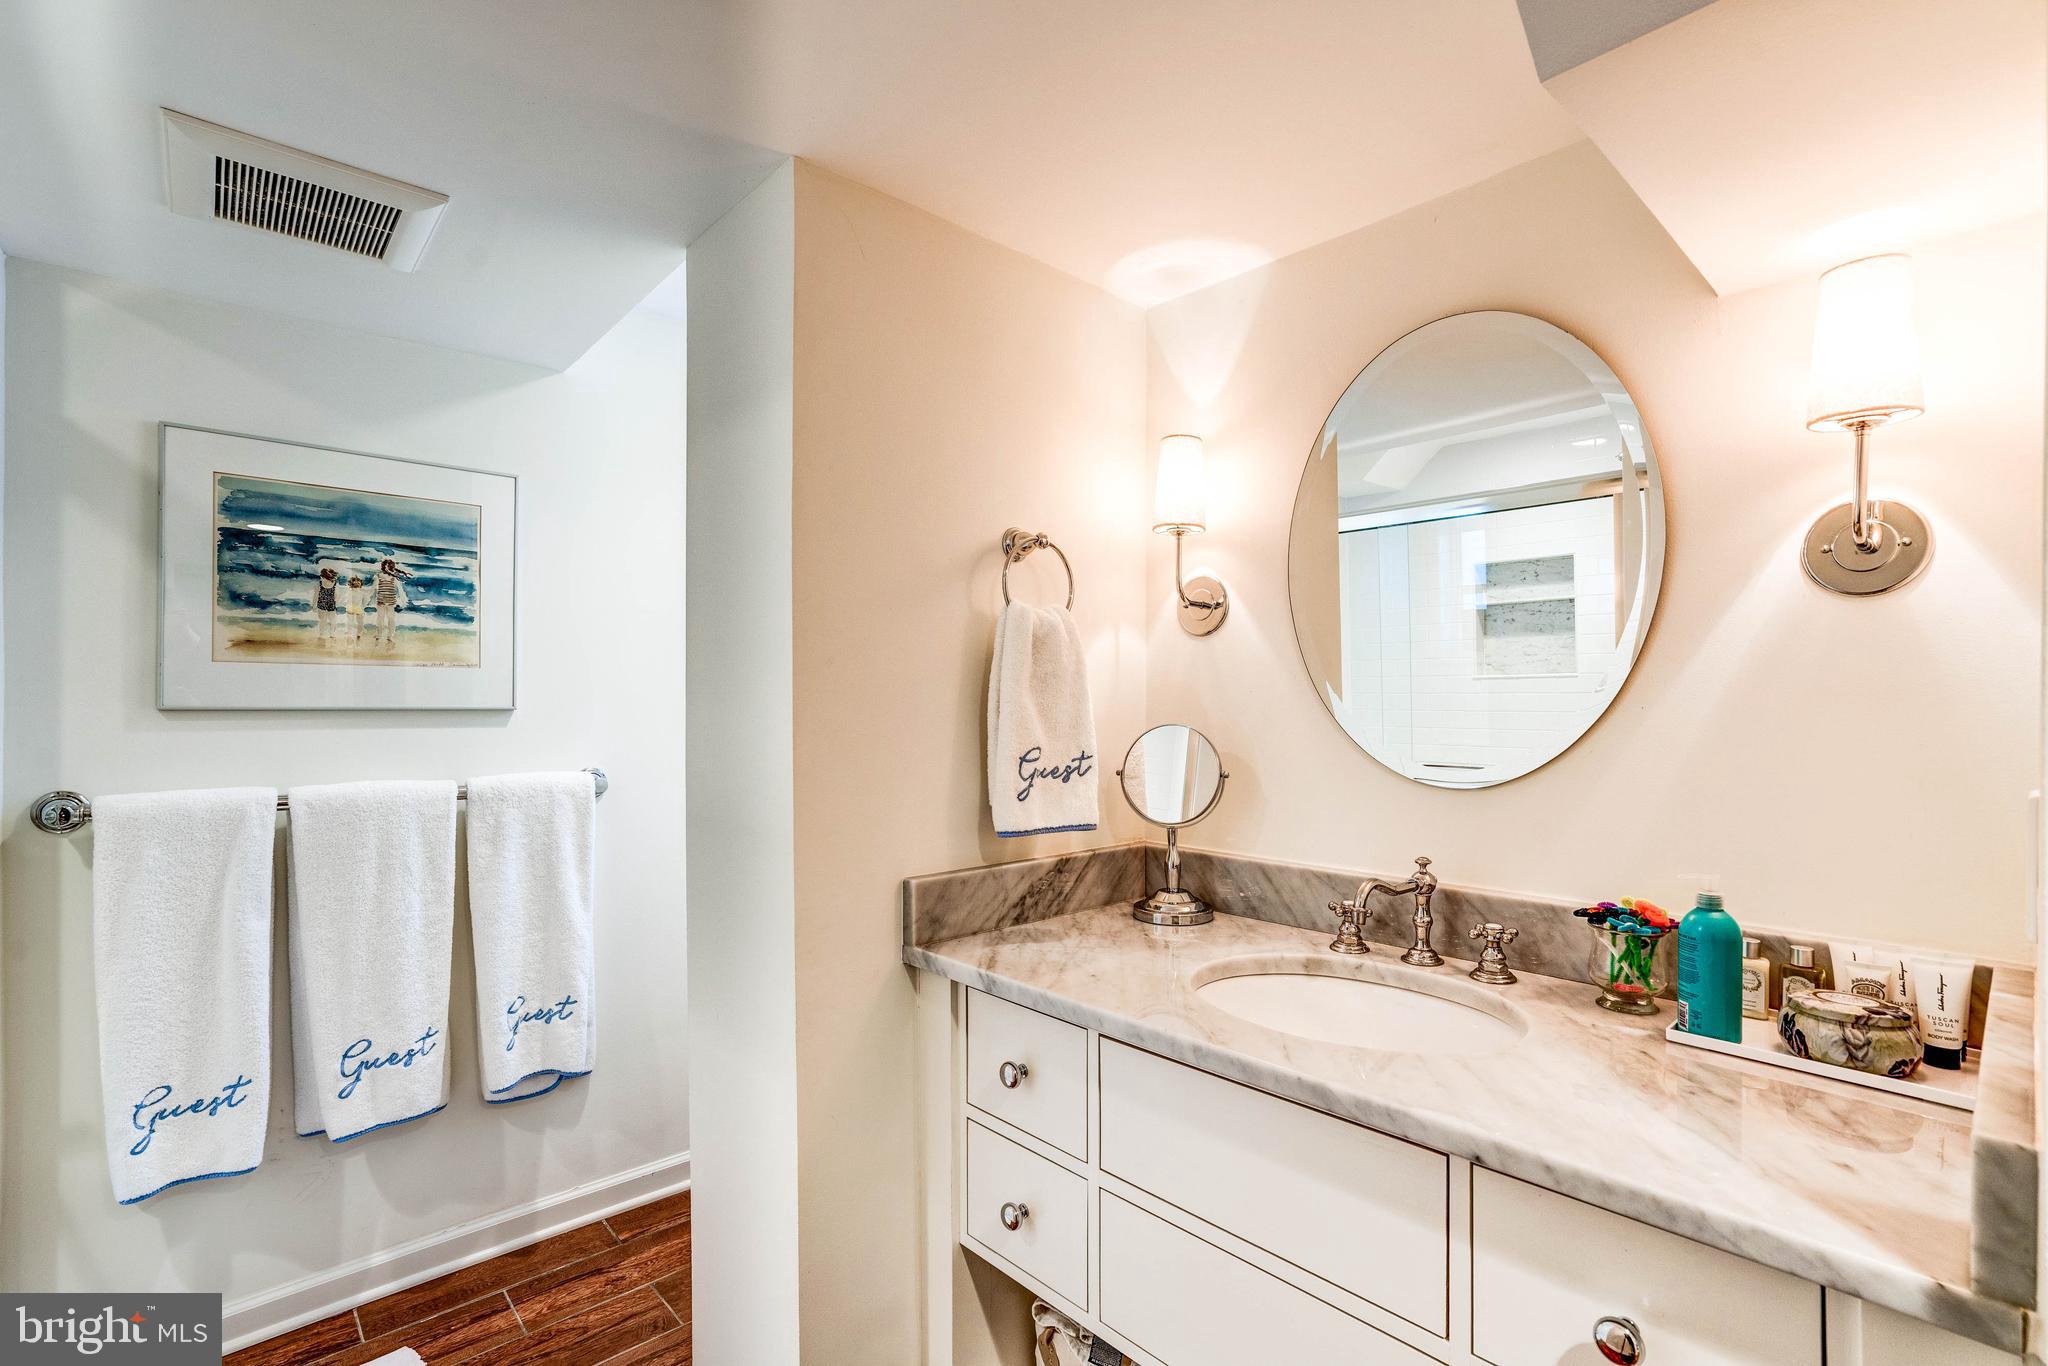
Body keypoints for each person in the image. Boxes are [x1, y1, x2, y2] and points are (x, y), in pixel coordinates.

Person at [373, 557, 411, 648]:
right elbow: (400, 591)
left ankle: (380, 635)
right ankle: (389, 637)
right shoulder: (394, 577)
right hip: (389, 602)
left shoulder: (378, 576)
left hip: (382, 601)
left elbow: (375, 589)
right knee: (390, 620)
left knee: (381, 619)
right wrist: (403, 602)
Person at [312, 566, 340, 647]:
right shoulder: (334, 584)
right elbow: (337, 596)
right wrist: (336, 602)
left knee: (322, 620)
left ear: (324, 577)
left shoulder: (320, 584)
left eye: (321, 576)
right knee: (332, 620)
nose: (320, 577)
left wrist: (314, 605)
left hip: (321, 603)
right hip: (331, 603)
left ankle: (322, 634)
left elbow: (316, 595)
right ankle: (332, 634)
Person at [343, 575, 368, 645]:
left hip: (354, 607)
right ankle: (355, 635)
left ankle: (355, 635)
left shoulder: (359, 592)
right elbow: (365, 602)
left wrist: (362, 607)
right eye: (355, 582)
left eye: (358, 582)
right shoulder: (361, 593)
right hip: (355, 607)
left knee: (354, 622)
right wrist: (362, 607)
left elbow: (345, 601)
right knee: (356, 622)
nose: (357, 583)